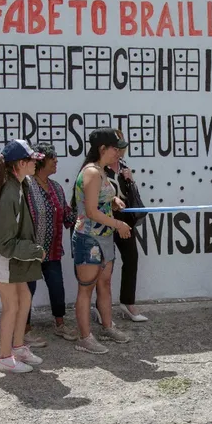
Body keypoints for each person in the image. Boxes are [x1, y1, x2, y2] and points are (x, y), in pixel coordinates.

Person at [0, 139, 46, 373]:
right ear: (21, 163)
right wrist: (35, 251)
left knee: (24, 300)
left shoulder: (19, 184)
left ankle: (18, 347)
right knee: (11, 306)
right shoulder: (10, 192)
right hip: (4, 259)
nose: (36, 164)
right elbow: (3, 243)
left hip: (12, 258)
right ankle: (4, 357)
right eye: (33, 160)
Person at [70, 128, 132, 355]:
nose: (119, 153)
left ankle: (107, 326)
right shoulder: (92, 172)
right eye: (116, 149)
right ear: (102, 148)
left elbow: (98, 200)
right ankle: (85, 337)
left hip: (103, 238)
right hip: (89, 239)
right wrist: (118, 224)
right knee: (86, 289)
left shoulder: (101, 172)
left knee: (105, 284)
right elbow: (91, 212)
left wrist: (114, 200)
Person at [25, 143, 78, 342]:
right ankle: (25, 329)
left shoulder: (56, 187)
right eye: (52, 158)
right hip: (29, 251)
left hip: (52, 251)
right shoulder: (26, 186)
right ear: (40, 161)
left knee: (57, 286)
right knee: (27, 290)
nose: (56, 161)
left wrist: (84, 214)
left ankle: (60, 324)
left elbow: (66, 215)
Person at [108, 130, 148, 322]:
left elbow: (132, 196)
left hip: (125, 219)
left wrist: (130, 180)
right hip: (105, 219)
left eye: (122, 148)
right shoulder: (96, 169)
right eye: (117, 148)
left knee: (131, 258)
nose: (120, 152)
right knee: (104, 265)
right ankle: (102, 309)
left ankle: (127, 302)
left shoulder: (123, 167)